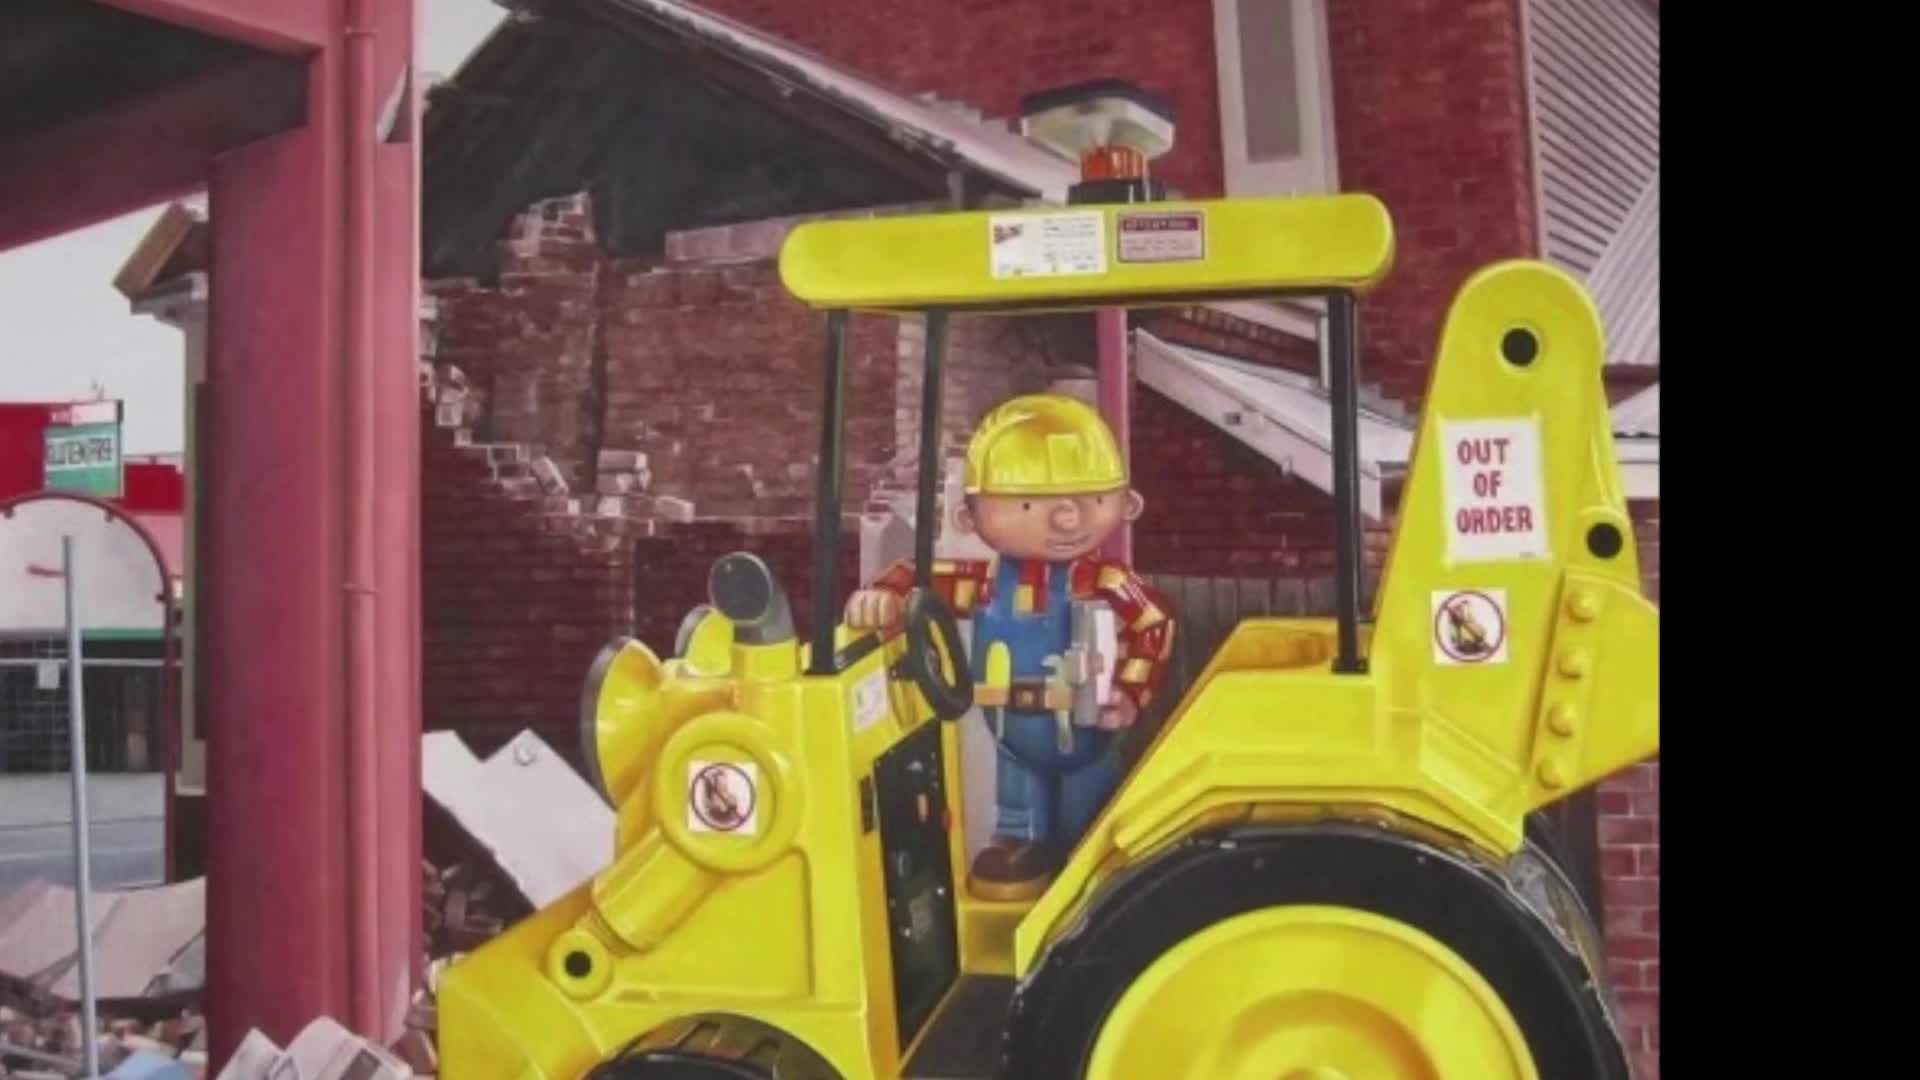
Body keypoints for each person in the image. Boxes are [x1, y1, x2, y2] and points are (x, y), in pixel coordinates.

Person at [845, 393, 1176, 900]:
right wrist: (884, 597)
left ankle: (1091, 864)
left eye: (1090, 502)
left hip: (1087, 738)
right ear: (968, 516)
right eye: (1027, 505)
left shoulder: (1105, 581)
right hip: (1011, 738)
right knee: (1019, 815)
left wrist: (1130, 693)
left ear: (1125, 505)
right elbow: (918, 581)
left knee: (1090, 830)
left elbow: (1153, 624)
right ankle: (1022, 840)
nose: (1067, 522)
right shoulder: (984, 583)